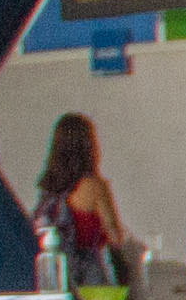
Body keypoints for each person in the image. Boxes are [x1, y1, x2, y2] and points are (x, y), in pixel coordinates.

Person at [31, 113, 131, 290]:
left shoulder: (48, 189)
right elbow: (115, 238)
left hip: (56, 279)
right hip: (90, 283)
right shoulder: (94, 186)